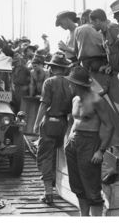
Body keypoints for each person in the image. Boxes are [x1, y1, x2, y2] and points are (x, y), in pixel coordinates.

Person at [64, 66, 113, 216]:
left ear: (78, 84)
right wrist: (68, 140)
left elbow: (110, 126)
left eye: (71, 83)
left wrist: (101, 150)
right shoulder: (75, 99)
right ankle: (83, 217)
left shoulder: (97, 100)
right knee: (77, 185)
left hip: (90, 142)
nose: (69, 85)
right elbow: (73, 121)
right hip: (73, 143)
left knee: (91, 187)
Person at [33, 53, 72, 205]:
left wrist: (36, 124)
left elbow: (44, 104)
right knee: (57, 156)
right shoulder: (71, 83)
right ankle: (60, 188)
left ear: (52, 67)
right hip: (64, 124)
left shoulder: (49, 82)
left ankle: (48, 193)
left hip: (49, 123)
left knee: (44, 157)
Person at [90, 9, 119, 73]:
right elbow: (112, 53)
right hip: (117, 70)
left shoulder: (113, 28)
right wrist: (109, 66)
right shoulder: (103, 33)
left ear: (97, 21)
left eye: (92, 23)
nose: (92, 26)